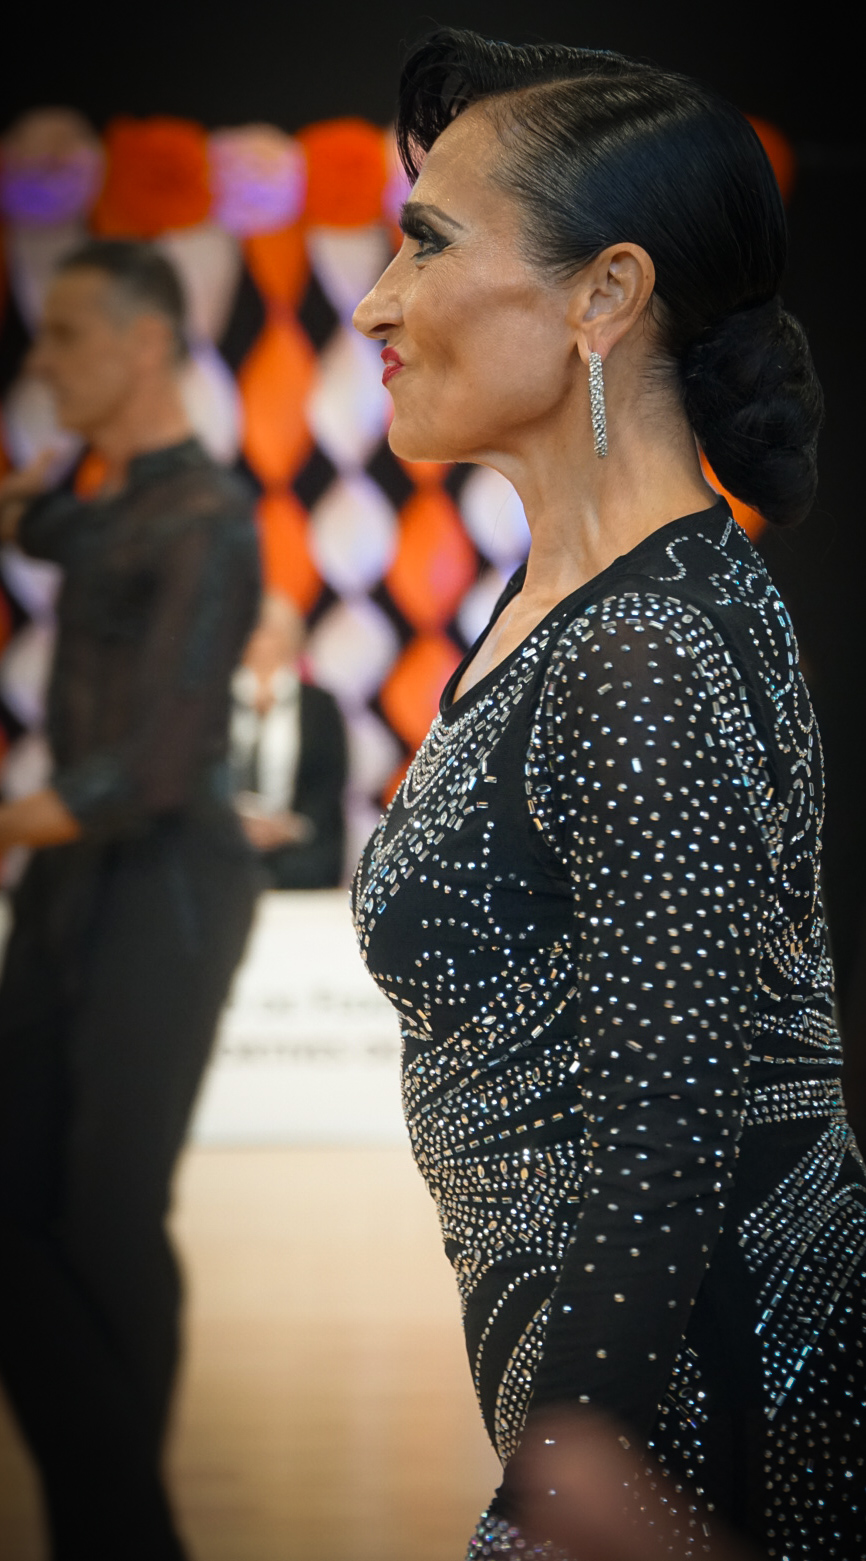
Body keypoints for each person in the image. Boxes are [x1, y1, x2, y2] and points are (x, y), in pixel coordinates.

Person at [351, 28, 865, 1560]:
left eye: (427, 243)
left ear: (603, 296)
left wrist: (551, 1494)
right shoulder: (582, 609)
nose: (376, 301)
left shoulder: (641, 647)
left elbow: (665, 1144)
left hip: (710, 1438)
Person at [0, 239, 260, 1560]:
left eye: (65, 336)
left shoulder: (209, 516)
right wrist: (33, 495)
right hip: (72, 877)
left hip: (168, 884)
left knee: (106, 1214)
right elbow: (46, 525)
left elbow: (151, 765)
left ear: (144, 342)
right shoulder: (114, 508)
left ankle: (116, 1535)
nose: (41, 362)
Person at [230, 591, 347, 889]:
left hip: (298, 852)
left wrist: (290, 828)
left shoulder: (319, 706)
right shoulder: (218, 703)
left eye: (270, 631)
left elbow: (330, 781)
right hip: (226, 844)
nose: (261, 641)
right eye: (254, 629)